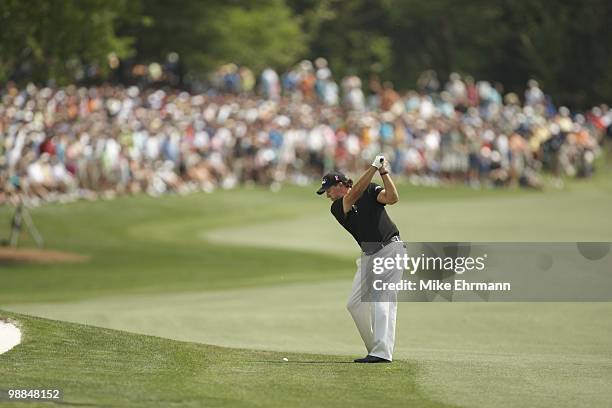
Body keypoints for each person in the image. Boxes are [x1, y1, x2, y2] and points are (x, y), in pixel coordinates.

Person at [316, 155, 405, 363]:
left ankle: (382, 353)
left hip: (390, 249)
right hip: (369, 256)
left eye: (328, 190)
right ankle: (375, 348)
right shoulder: (338, 207)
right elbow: (354, 194)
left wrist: (383, 172)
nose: (327, 195)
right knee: (354, 304)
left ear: (340, 184)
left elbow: (392, 198)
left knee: (381, 301)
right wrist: (374, 167)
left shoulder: (369, 189)